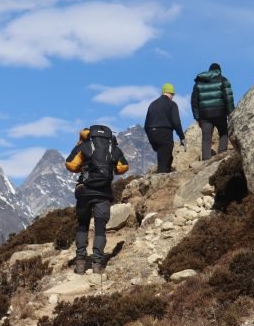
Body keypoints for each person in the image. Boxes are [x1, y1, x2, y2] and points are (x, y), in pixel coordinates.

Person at [64, 125, 129, 275]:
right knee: (100, 229)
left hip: (85, 192)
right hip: (103, 193)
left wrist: (81, 152)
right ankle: (97, 264)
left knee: (82, 225)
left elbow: (70, 164)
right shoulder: (113, 148)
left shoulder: (85, 146)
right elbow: (123, 167)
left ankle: (80, 262)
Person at [191, 62, 235, 161]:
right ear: (219, 71)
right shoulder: (223, 80)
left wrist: (197, 117)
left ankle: (206, 160)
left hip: (205, 116)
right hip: (220, 113)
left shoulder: (199, 83)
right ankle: (222, 154)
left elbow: (194, 102)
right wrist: (231, 113)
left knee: (206, 138)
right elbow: (228, 98)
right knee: (223, 133)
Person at [144, 83, 185, 173]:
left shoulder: (152, 104)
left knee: (161, 156)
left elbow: (146, 125)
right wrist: (182, 137)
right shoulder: (172, 104)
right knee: (165, 162)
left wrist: (151, 139)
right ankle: (161, 183)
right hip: (164, 133)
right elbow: (176, 122)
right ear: (172, 93)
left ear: (163, 92)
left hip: (152, 133)